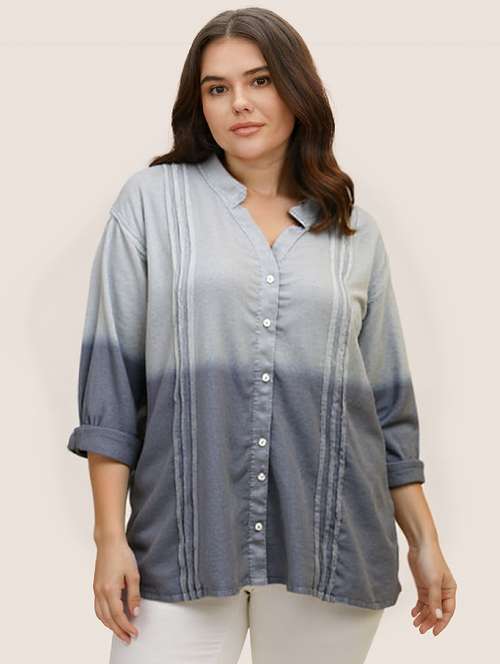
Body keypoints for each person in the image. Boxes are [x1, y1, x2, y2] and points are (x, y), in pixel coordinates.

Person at [67, 7, 457, 664]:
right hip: (183, 541)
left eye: (260, 80)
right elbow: (110, 387)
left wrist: (425, 541)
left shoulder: (354, 232)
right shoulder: (151, 203)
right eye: (217, 88)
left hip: (330, 541)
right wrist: (110, 538)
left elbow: (388, 410)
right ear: (200, 105)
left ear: (297, 90)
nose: (239, 103)